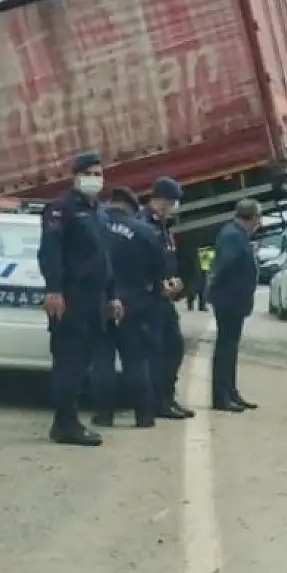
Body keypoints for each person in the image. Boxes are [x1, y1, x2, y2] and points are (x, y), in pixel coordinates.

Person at [38, 152, 122, 446]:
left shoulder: (99, 212)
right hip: (70, 297)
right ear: (76, 176)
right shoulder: (61, 210)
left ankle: (69, 420)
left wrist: (112, 296)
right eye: (90, 173)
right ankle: (65, 423)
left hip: (95, 299)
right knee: (69, 362)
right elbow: (51, 252)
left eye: (100, 173)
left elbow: (105, 258)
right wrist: (54, 289)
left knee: (83, 362)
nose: (96, 179)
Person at [92, 187, 161, 429]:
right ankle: (143, 415)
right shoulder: (145, 232)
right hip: (134, 303)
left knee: (102, 361)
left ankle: (103, 415)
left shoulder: (94, 227)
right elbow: (158, 270)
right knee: (136, 361)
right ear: (132, 207)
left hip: (99, 302)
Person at [138, 177, 194, 420]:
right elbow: (139, 261)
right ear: (159, 200)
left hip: (164, 298)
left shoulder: (163, 225)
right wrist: (158, 283)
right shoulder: (143, 224)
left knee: (174, 348)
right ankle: (157, 402)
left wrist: (175, 281)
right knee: (158, 352)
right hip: (150, 298)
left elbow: (167, 258)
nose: (174, 207)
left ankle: (167, 398)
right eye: (171, 202)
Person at [206, 199, 262, 412]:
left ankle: (230, 391)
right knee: (225, 349)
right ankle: (222, 396)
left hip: (233, 300)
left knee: (230, 348)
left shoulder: (238, 234)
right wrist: (218, 291)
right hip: (228, 301)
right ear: (253, 217)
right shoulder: (233, 235)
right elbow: (223, 267)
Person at [193, 244, 215, 311]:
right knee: (203, 287)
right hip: (204, 267)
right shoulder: (209, 249)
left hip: (202, 267)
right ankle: (201, 305)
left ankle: (194, 303)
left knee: (200, 286)